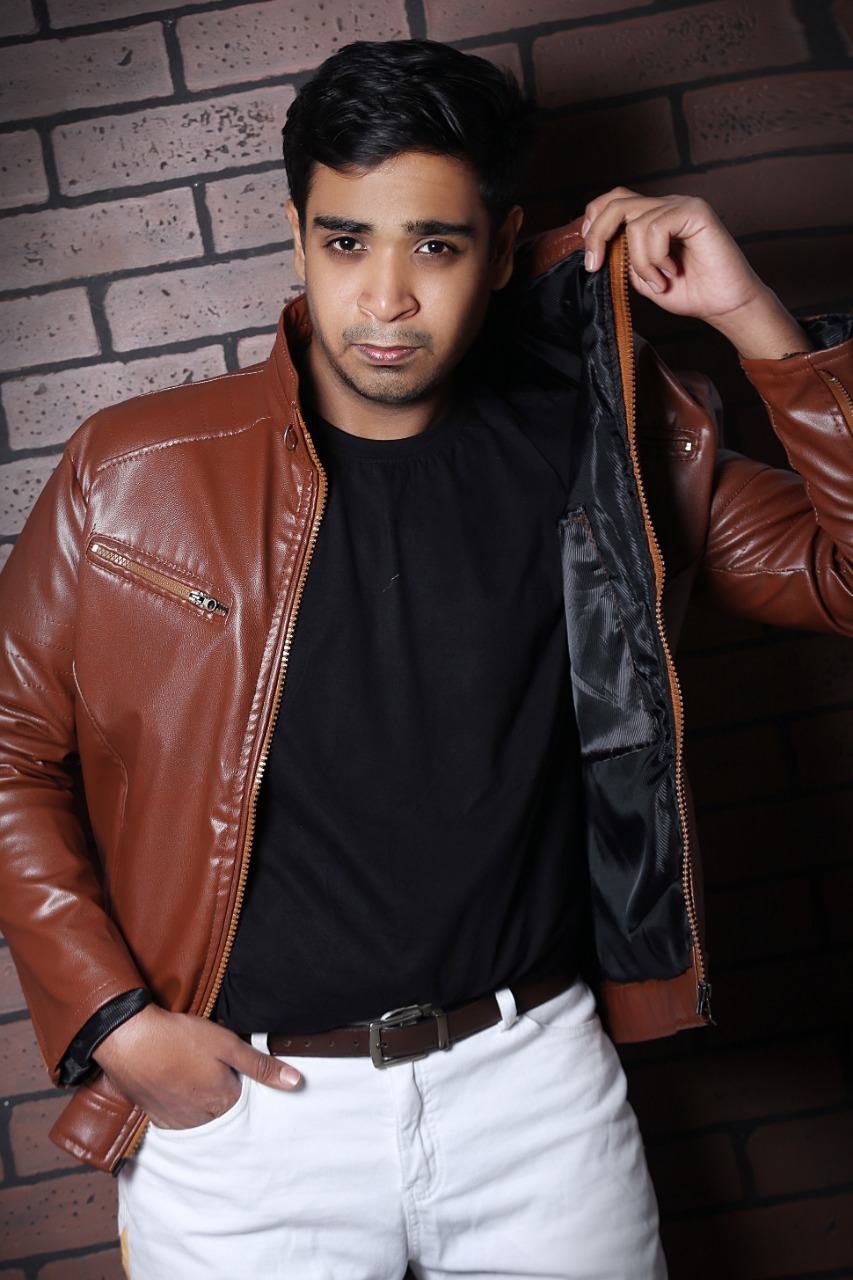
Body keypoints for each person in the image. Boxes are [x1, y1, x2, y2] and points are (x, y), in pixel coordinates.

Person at [0, 37, 851, 1280]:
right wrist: (116, 1021)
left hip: (535, 1093)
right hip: (246, 1117)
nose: (386, 297)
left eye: (435, 246)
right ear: (297, 239)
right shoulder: (132, 471)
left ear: (501, 251)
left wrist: (751, 318)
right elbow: (10, 747)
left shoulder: (602, 451)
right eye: (347, 241)